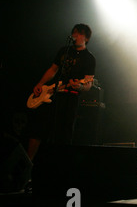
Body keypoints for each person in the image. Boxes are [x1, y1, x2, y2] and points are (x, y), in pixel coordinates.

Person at [26, 24, 96, 160]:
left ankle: (60, 165)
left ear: (86, 38)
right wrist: (40, 84)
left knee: (64, 134)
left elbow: (88, 83)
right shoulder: (64, 51)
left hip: (71, 97)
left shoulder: (89, 58)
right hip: (53, 93)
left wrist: (80, 87)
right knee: (38, 128)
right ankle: (28, 163)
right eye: (74, 32)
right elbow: (53, 70)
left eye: (79, 33)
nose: (75, 35)